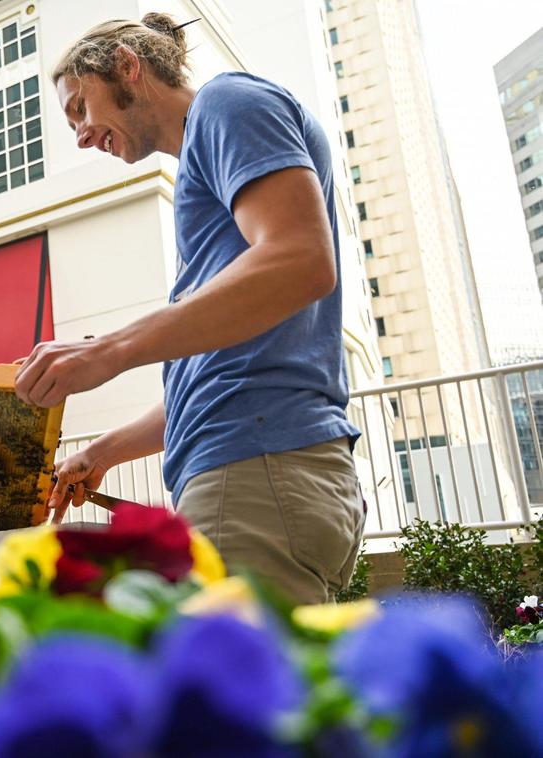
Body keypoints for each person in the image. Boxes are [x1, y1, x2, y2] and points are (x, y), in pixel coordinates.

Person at [18, 13, 364, 605]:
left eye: (79, 107)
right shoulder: (210, 172)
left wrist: (108, 350)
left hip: (256, 476)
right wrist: (100, 454)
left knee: (234, 698)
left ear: (128, 64)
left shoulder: (227, 102)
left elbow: (303, 259)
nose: (78, 134)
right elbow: (219, 372)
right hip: (263, 476)